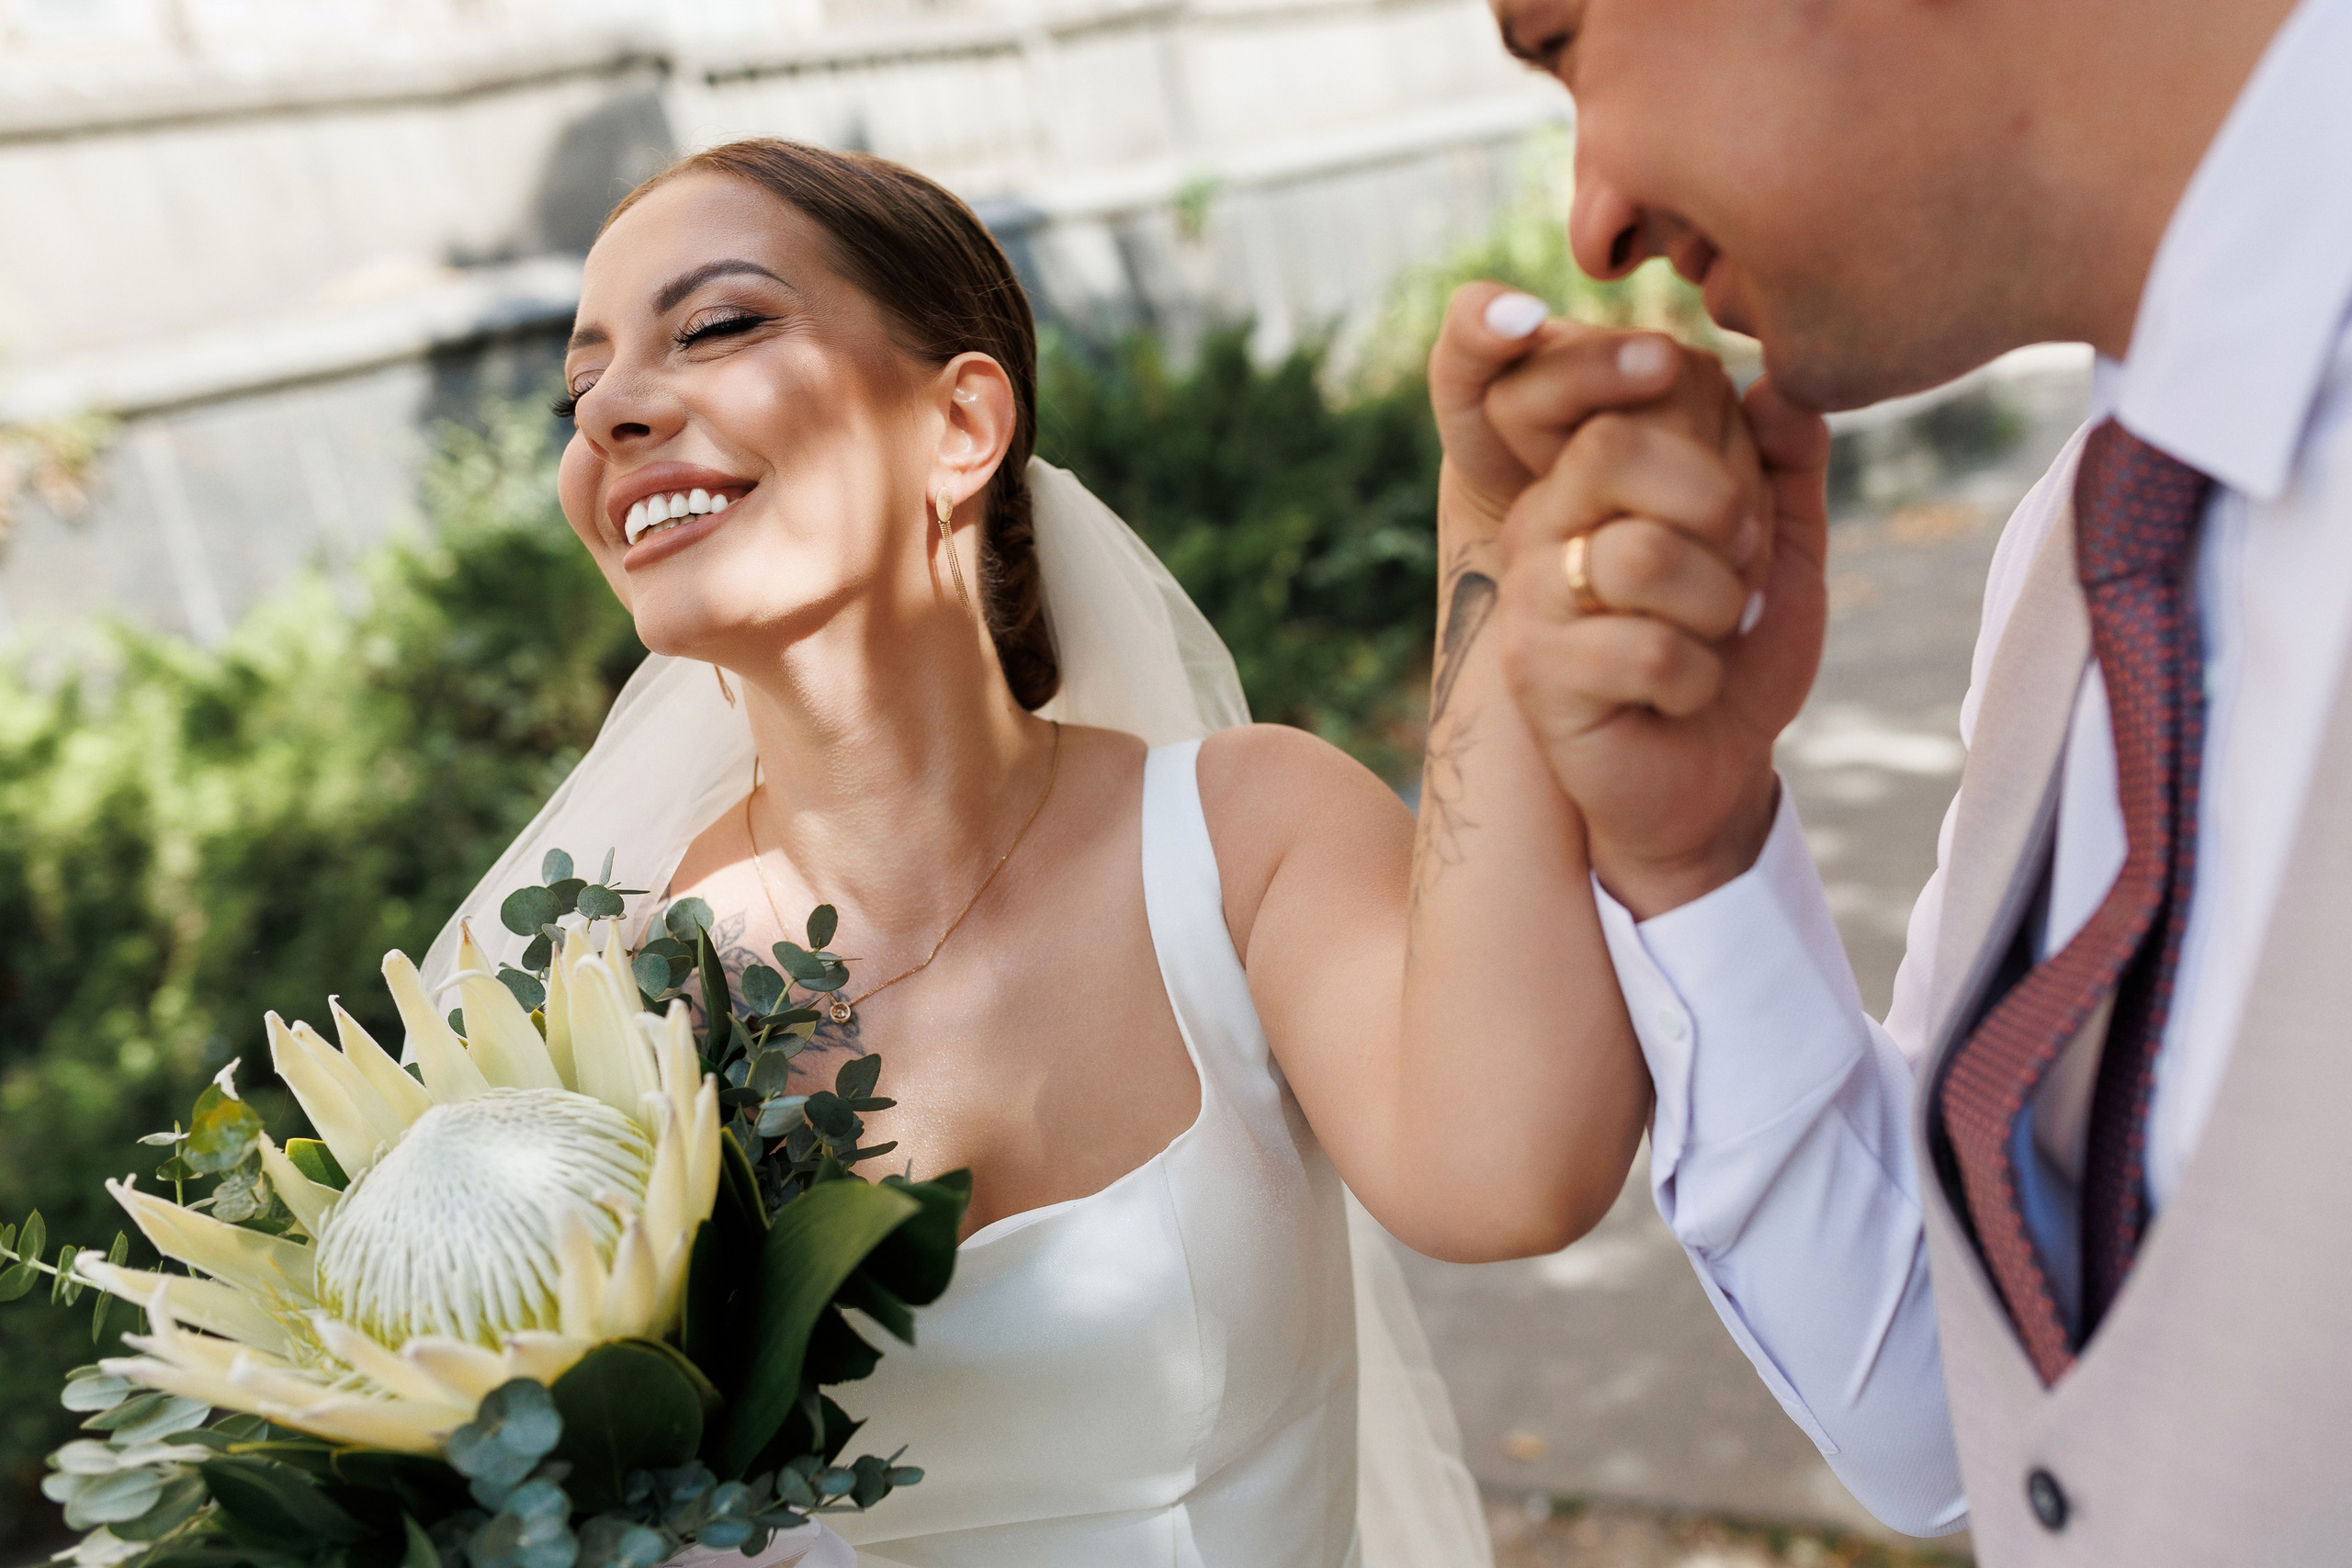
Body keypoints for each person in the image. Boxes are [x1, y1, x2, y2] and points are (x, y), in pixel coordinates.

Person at [420, 138, 1663, 1567]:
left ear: (961, 425)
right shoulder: (603, 1002)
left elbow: (1508, 1177)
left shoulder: (1248, 841)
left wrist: (1492, 542)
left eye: (717, 326)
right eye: (579, 389)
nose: (610, 411)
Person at [1453, 0, 2352, 1560]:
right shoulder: (2083, 551)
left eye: (1565, 37)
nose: (1593, 224)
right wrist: (1692, 853)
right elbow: (1969, 1420)